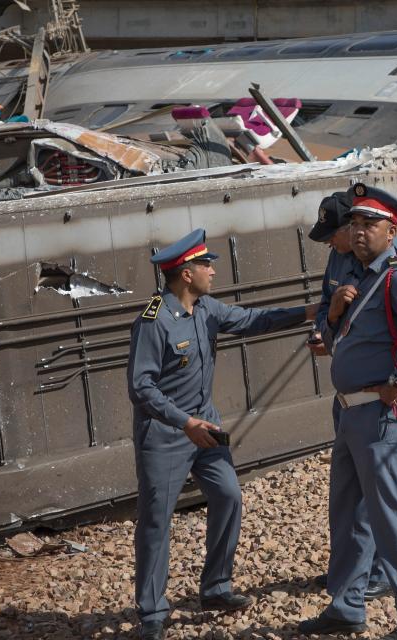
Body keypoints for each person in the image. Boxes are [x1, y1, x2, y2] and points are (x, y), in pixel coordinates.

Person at [128, 228, 316, 640]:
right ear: (185, 273)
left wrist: (311, 311)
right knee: (157, 522)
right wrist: (185, 423)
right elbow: (141, 388)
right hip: (167, 434)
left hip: (206, 427)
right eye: (205, 264)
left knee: (229, 495)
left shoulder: (208, 309)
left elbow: (253, 320)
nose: (212, 270)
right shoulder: (153, 320)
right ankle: (152, 613)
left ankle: (215, 588)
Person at [298, 184, 397, 640]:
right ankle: (346, 606)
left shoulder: (396, 276)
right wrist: (335, 312)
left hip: (381, 411)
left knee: (388, 516)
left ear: (392, 231)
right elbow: (335, 329)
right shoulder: (358, 276)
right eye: (356, 224)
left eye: (370, 225)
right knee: (346, 512)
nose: (360, 232)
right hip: (350, 410)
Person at [306, 191, 397, 602]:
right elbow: (327, 307)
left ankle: (379, 576)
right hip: (349, 399)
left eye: (357, 227)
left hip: (381, 400)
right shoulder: (340, 258)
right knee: (348, 498)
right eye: (351, 228)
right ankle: (348, 577)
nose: (338, 242)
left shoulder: (393, 267)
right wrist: (328, 325)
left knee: (381, 500)